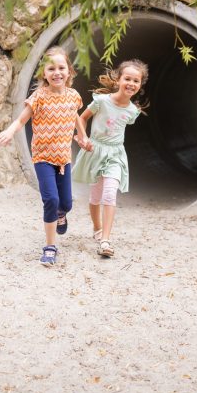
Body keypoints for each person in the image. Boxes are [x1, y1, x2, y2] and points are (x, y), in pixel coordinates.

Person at [0, 46, 86, 267]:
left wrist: (82, 137)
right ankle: (50, 247)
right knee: (51, 200)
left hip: (63, 157)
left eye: (61, 67)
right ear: (43, 74)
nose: (57, 72)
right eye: (51, 68)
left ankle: (62, 214)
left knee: (66, 203)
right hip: (43, 157)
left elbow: (76, 117)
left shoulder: (73, 96)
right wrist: (9, 131)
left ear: (69, 71)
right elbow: (21, 120)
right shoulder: (39, 97)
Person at [73, 59, 148, 258]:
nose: (131, 83)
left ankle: (105, 240)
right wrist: (83, 138)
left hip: (115, 155)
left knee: (109, 193)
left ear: (140, 85)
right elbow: (81, 118)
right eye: (128, 79)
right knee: (95, 197)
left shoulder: (132, 112)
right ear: (118, 79)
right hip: (96, 151)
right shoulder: (101, 101)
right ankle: (97, 227)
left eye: (136, 81)